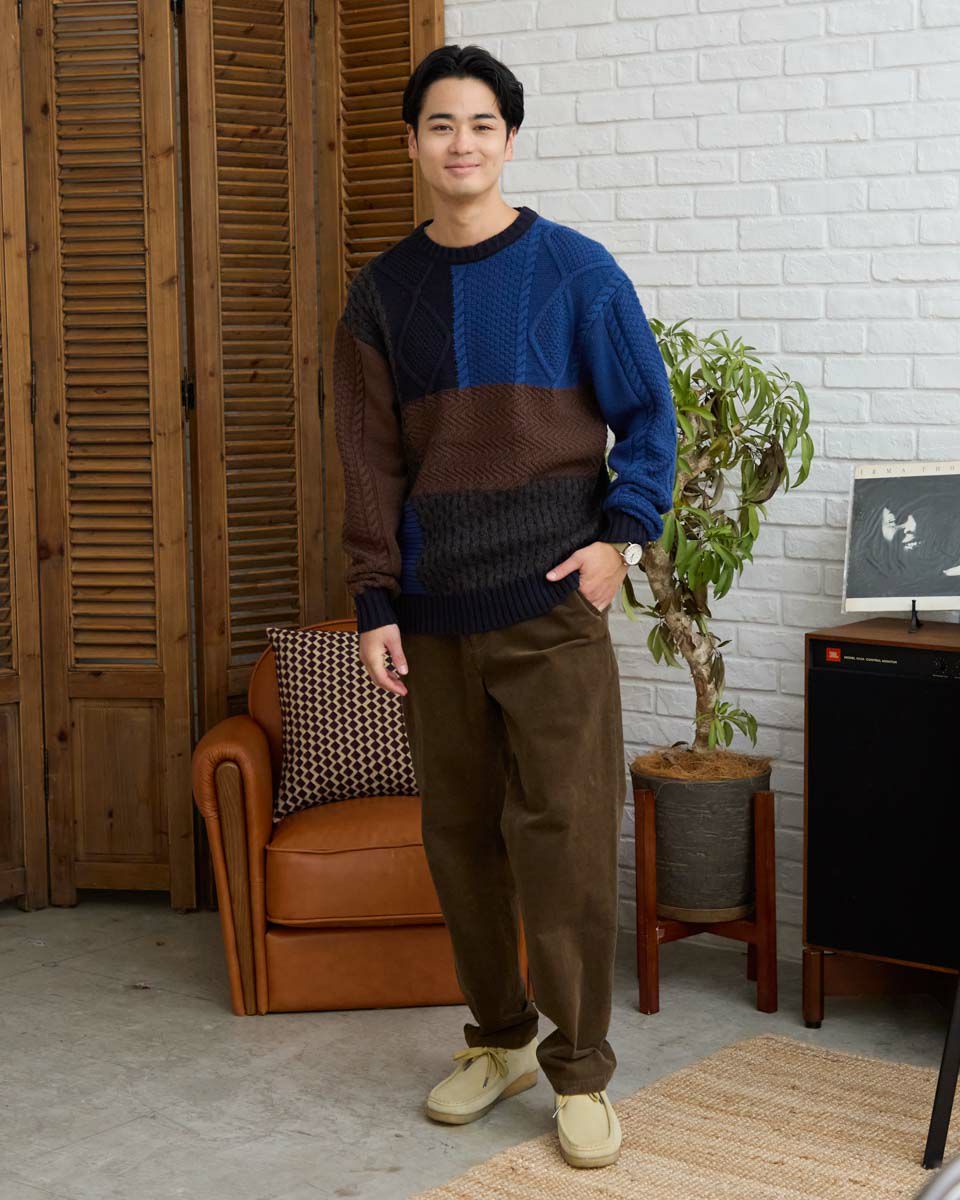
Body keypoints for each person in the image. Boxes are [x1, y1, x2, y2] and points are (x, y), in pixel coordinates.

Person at [332, 43, 677, 1171]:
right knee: (461, 841)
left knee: (565, 841)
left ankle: (580, 1071)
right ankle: (500, 1040)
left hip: (551, 608)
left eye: (482, 123)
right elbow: (367, 460)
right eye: (440, 123)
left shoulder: (577, 270)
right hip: (434, 616)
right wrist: (376, 599)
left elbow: (649, 416)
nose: (462, 142)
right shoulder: (381, 294)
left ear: (510, 139)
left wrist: (619, 540)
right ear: (412, 142)